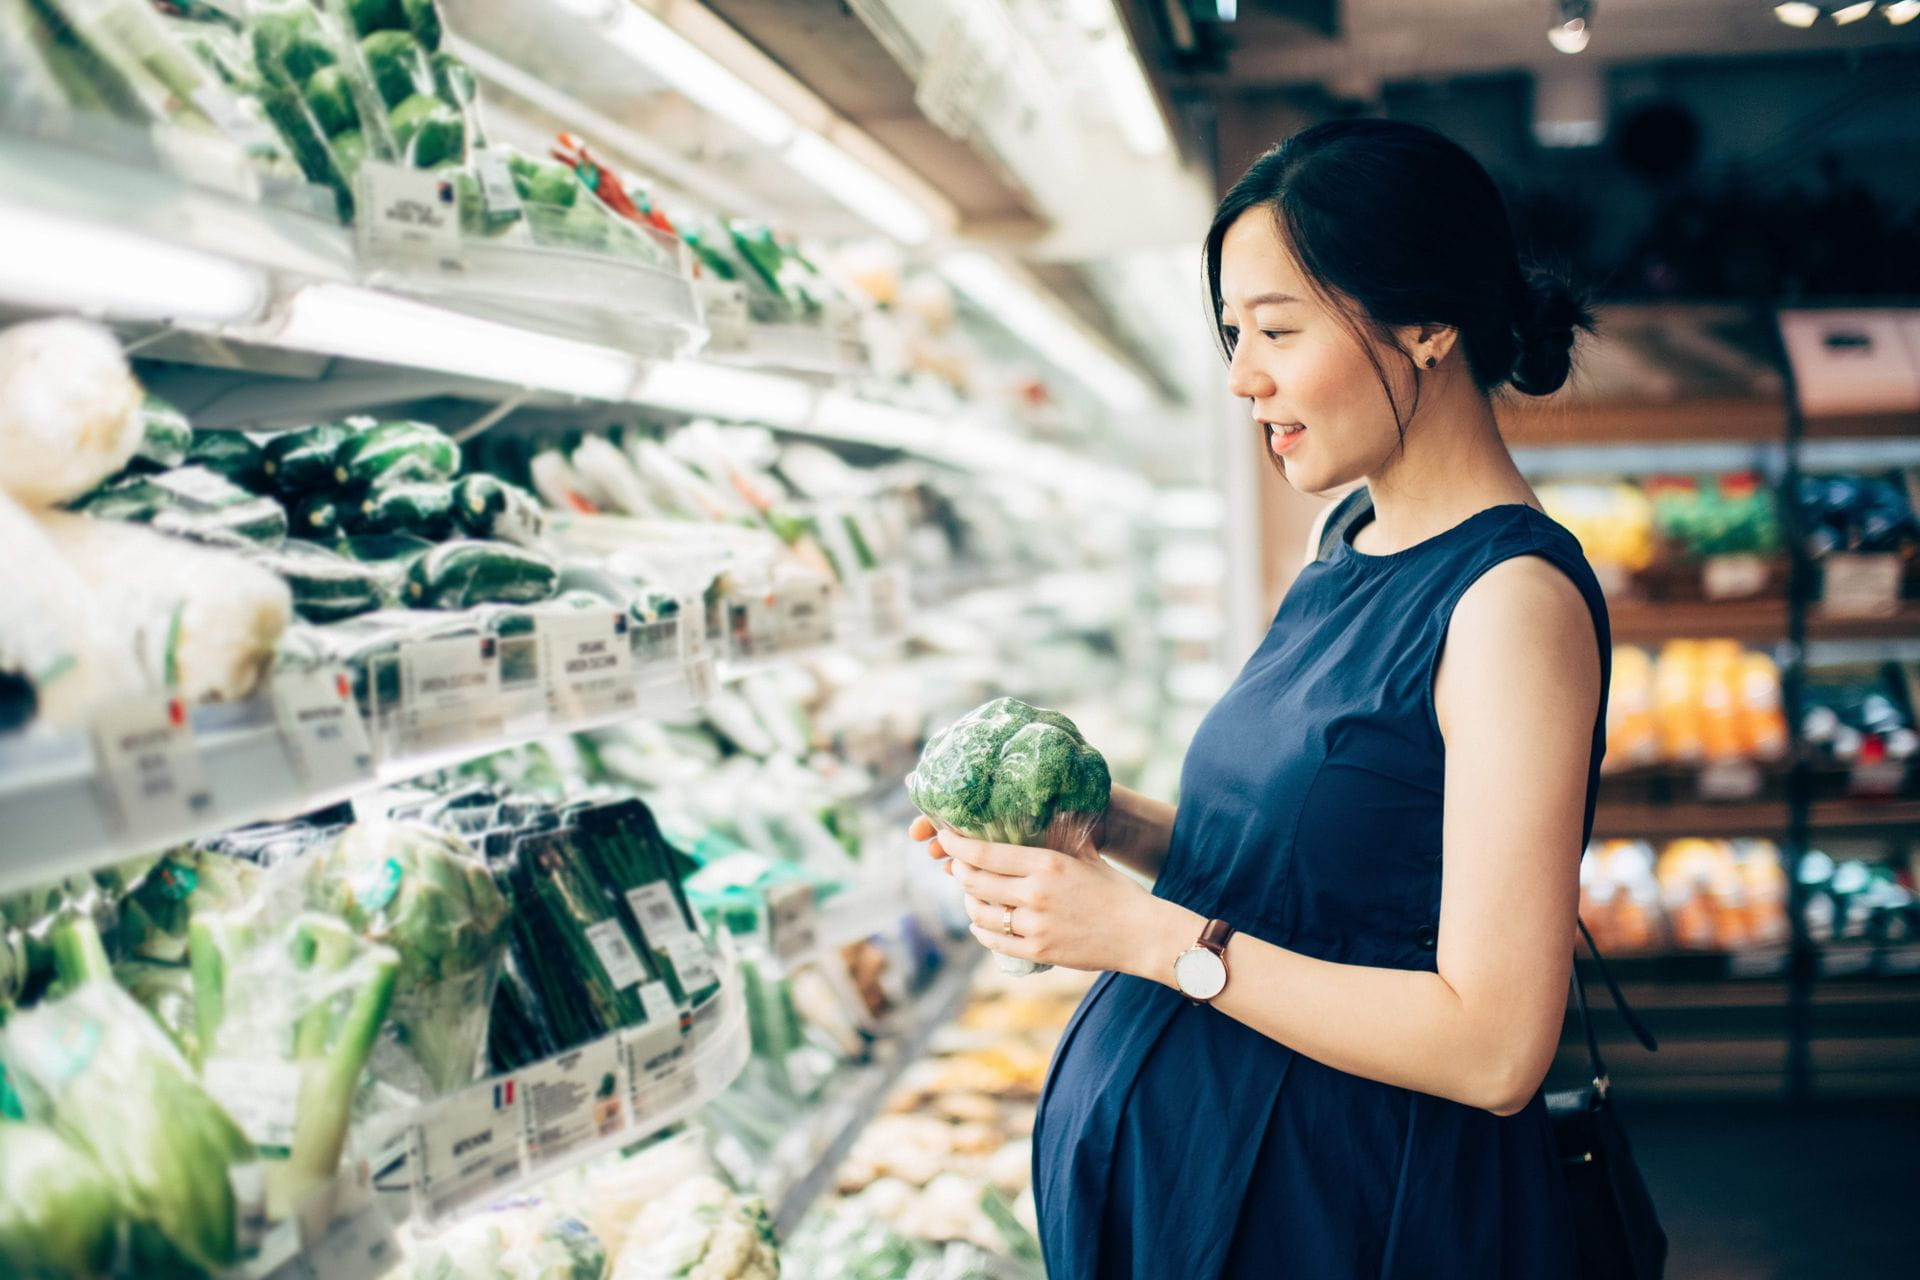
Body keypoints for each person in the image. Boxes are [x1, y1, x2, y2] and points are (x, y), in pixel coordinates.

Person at [910, 118, 1610, 1278]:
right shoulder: (1352, 537)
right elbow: (1320, 887)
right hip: (1224, 1195)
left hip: (1349, 1211)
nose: (1243, 375)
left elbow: (1495, 1044)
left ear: (1429, 322)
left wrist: (1139, 933)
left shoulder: (1509, 604)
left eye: (1277, 330)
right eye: (1235, 332)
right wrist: (1106, 828)